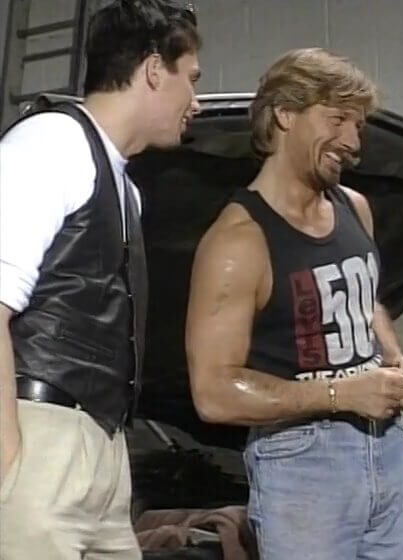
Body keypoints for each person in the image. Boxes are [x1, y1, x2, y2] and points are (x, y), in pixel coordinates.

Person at [185, 47, 403, 560]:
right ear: (284, 114)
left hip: (389, 450)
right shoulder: (238, 241)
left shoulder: (355, 209)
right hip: (303, 466)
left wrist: (396, 362)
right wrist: (342, 394)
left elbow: (363, 300)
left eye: (358, 126)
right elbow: (214, 393)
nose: (353, 142)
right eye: (337, 120)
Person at [0, 1, 201, 558]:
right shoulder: (51, 143)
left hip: (103, 448)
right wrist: (9, 459)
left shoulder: (124, 187)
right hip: (41, 436)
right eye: (191, 77)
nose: (197, 100)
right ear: (154, 70)